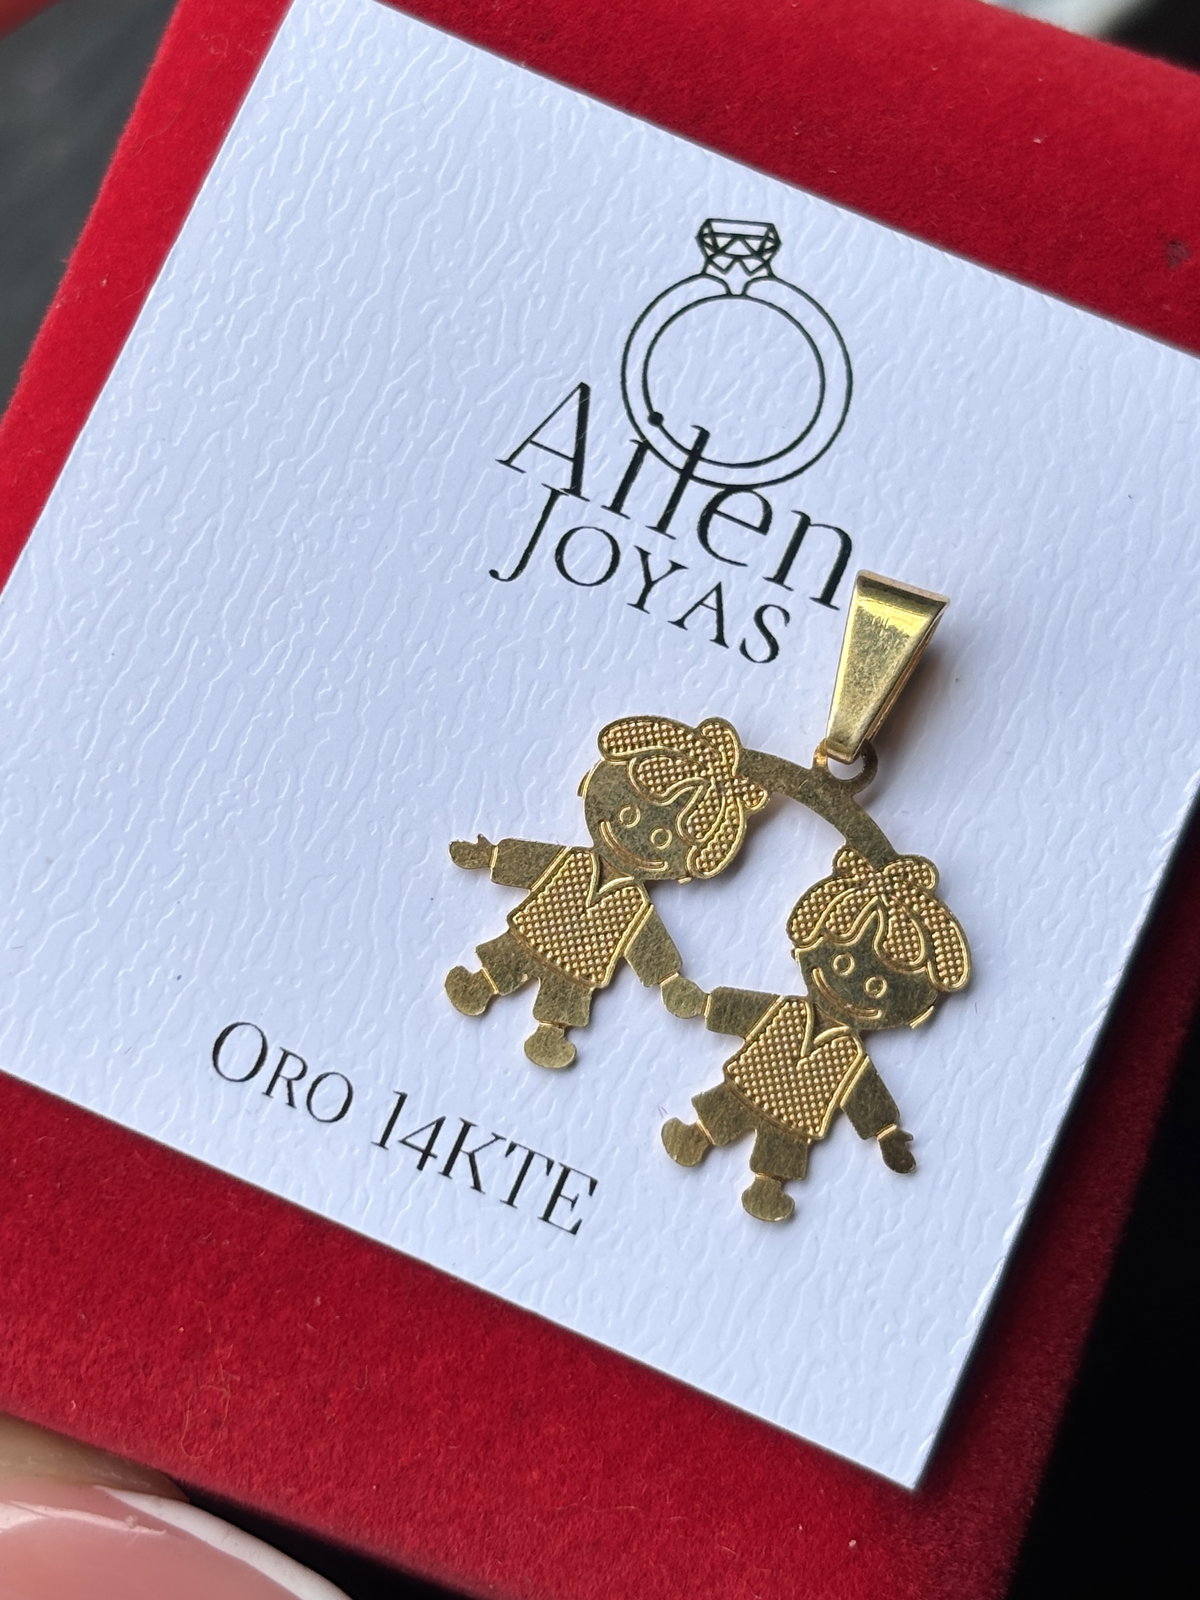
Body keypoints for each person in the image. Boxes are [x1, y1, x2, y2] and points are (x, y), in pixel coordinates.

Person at [662, 847, 970, 1221]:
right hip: (748, 1085)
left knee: (780, 1153)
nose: (852, 987)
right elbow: (742, 1010)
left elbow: (863, 1094)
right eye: (842, 961)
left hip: (796, 1119)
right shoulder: (787, 1010)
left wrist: (886, 1133)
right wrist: (705, 1004)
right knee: (721, 1111)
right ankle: (697, 1137)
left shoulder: (849, 1054)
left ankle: (767, 1188)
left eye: (876, 987)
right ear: (809, 943)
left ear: (910, 1008)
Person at [445, 715, 768, 1068]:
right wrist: (490, 856)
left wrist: (668, 980)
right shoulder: (572, 861)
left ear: (689, 867)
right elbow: (529, 861)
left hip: (580, 967)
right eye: (628, 815)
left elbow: (647, 943)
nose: (635, 835)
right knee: (505, 962)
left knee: (563, 1000)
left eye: (661, 839)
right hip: (532, 935)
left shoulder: (633, 904)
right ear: (592, 782)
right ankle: (481, 987)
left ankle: (549, 1034)